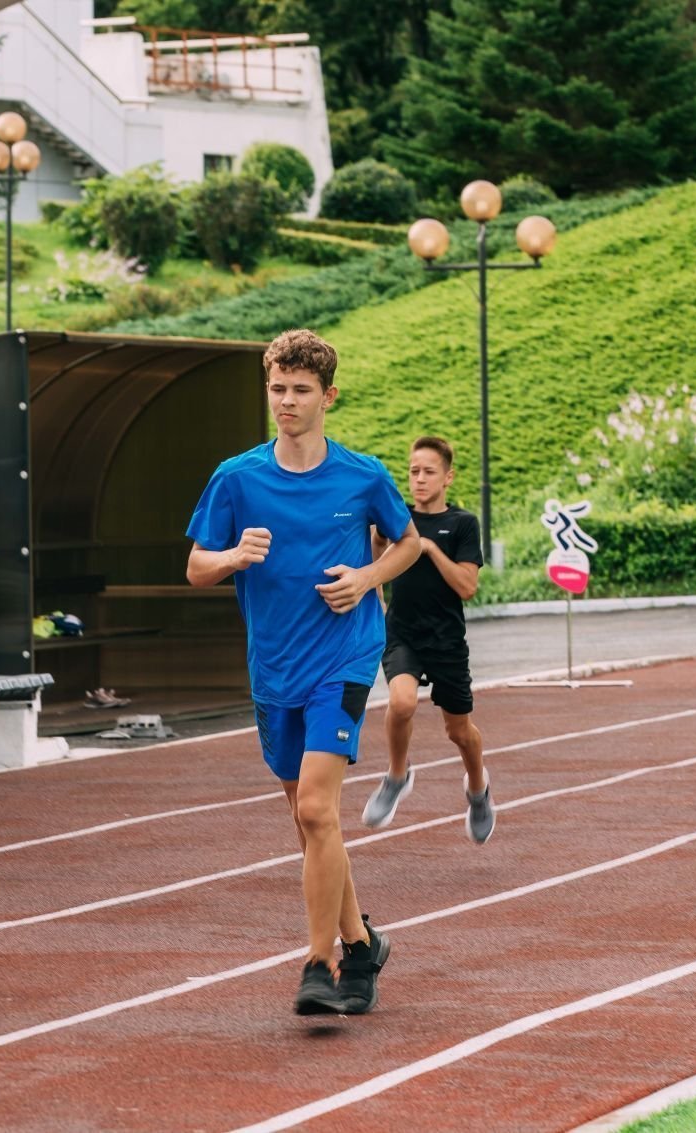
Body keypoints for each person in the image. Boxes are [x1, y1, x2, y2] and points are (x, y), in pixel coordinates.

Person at [185, 328, 421, 1016]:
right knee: (308, 818)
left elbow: (407, 542)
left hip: (343, 659)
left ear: (328, 396)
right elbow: (196, 566)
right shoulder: (237, 477)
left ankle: (321, 963)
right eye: (277, 389)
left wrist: (368, 576)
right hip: (274, 665)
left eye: (300, 390)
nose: (286, 401)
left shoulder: (362, 475)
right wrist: (233, 557)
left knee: (317, 808)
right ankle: (362, 943)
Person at [361, 436, 492, 842]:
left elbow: (467, 587)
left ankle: (478, 789)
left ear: (447, 477)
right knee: (401, 702)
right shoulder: (397, 517)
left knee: (459, 731)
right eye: (414, 471)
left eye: (428, 472)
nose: (419, 479)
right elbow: (375, 546)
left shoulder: (463, 524)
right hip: (403, 633)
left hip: (446, 640)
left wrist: (430, 549)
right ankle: (397, 775)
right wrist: (376, 582)